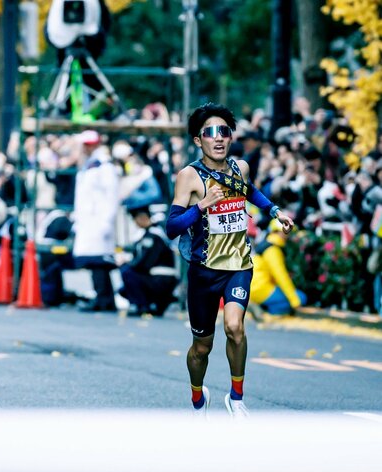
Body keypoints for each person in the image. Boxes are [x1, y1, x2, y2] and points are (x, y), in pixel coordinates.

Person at [165, 103, 294, 418]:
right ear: (198, 140)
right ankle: (198, 396)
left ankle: (236, 398)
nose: (219, 138)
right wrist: (201, 206)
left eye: (224, 131)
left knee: (235, 327)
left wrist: (275, 211)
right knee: (202, 348)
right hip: (204, 271)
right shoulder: (189, 176)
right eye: (210, 133)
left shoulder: (241, 167)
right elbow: (171, 227)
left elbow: (249, 191)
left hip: (239, 265)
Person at [72, 129, 120, 312]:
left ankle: (104, 297)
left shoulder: (104, 166)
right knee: (94, 261)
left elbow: (111, 196)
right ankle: (103, 297)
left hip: (99, 219)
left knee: (98, 260)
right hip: (89, 220)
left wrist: (107, 221)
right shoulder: (90, 165)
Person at [117, 205, 178, 317]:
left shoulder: (153, 236)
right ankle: (158, 304)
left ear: (143, 218)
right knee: (123, 289)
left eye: (136, 219)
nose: (135, 223)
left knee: (127, 271)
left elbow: (144, 263)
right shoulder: (154, 233)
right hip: (162, 279)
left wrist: (126, 262)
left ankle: (143, 306)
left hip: (160, 280)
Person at [250, 219, 306, 315]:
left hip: (254, 287)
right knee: (301, 297)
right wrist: (295, 301)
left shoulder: (267, 244)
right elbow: (280, 276)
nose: (289, 235)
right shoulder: (272, 250)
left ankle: (261, 306)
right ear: (280, 232)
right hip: (260, 289)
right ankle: (268, 311)